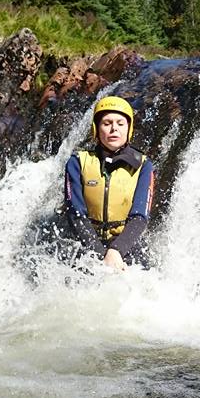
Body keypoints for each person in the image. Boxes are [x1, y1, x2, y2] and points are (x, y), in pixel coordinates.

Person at [63, 96, 155, 271]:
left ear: (129, 128)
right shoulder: (77, 162)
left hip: (126, 245)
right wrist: (100, 256)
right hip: (87, 243)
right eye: (107, 123)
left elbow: (140, 218)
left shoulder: (144, 166)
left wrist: (116, 251)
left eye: (120, 123)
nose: (114, 129)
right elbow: (75, 214)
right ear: (96, 129)